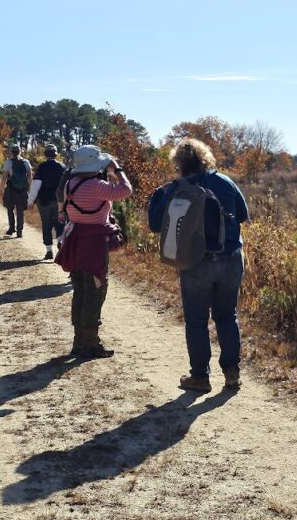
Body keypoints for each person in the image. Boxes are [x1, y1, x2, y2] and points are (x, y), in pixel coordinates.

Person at [148, 138, 249, 394]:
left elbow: (155, 223)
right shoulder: (224, 181)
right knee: (227, 316)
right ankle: (232, 373)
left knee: (196, 321)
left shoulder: (177, 189)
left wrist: (162, 194)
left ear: (179, 164)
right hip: (231, 259)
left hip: (195, 262)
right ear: (205, 159)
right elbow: (243, 215)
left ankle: (200, 378)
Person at [54, 145, 132, 358]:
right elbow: (126, 190)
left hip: (75, 240)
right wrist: (118, 170)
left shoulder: (71, 183)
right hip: (94, 243)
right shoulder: (97, 186)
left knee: (79, 290)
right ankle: (90, 343)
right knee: (95, 290)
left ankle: (79, 341)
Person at [28, 143, 67, 259]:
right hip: (59, 200)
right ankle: (60, 241)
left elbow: (36, 185)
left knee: (46, 224)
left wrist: (31, 201)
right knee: (60, 223)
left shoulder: (42, 167)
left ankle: (49, 250)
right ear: (56, 154)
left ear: (45, 155)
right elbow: (66, 186)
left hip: (44, 201)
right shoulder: (62, 167)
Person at [0, 145, 32, 237]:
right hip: (22, 190)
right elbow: (30, 177)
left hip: (11, 189)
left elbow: (4, 177)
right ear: (19, 152)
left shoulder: (9, 162)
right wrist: (29, 188)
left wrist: (2, 189)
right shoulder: (26, 162)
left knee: (10, 208)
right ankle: (19, 231)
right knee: (20, 210)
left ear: (11, 152)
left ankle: (11, 228)